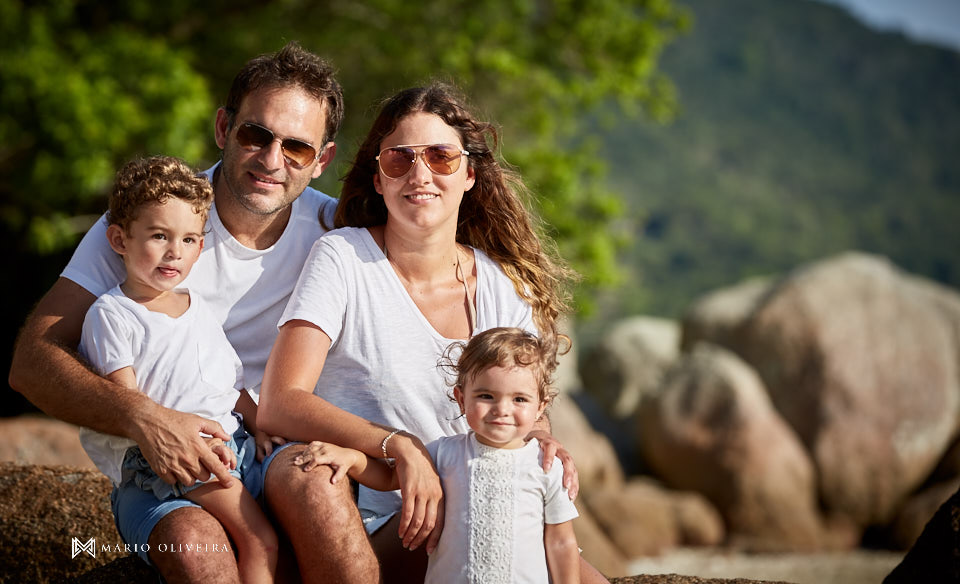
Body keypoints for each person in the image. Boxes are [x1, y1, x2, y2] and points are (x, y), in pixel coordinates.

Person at [7, 42, 374, 582]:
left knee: (319, 489)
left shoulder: (336, 235)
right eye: (257, 134)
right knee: (195, 547)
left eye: (296, 148)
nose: (273, 160)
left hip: (270, 444)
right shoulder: (153, 222)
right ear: (224, 128)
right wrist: (147, 418)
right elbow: (32, 361)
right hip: (160, 466)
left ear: (321, 160)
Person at [257, 83, 608, 583]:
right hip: (370, 514)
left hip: (475, 508)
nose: (419, 174)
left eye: (441, 157)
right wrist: (399, 445)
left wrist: (546, 443)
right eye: (399, 160)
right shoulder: (343, 257)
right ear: (378, 179)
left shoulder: (499, 287)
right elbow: (281, 401)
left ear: (468, 174)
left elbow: (529, 414)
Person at [79, 156, 277, 580]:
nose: (175, 252)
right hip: (182, 461)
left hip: (235, 446)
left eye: (189, 239)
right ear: (119, 240)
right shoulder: (113, 314)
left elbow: (228, 385)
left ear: (200, 247)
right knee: (260, 540)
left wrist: (262, 425)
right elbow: (126, 404)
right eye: (159, 235)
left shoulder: (198, 307)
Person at [293, 326, 581, 584]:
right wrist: (350, 458)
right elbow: (389, 476)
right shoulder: (444, 452)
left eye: (519, 399)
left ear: (540, 407)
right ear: (460, 398)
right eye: (486, 396)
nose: (502, 409)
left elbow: (560, 542)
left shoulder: (545, 466)